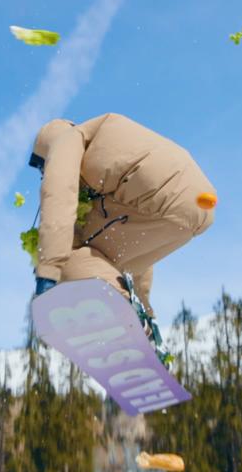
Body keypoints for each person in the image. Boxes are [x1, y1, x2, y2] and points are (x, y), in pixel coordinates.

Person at [28, 113, 217, 346]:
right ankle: (142, 324)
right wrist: (146, 307)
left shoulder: (66, 139)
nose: (43, 174)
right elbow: (131, 249)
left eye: (42, 168)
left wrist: (48, 271)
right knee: (110, 262)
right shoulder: (108, 137)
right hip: (197, 207)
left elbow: (59, 193)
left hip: (161, 198)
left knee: (71, 257)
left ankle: (121, 309)